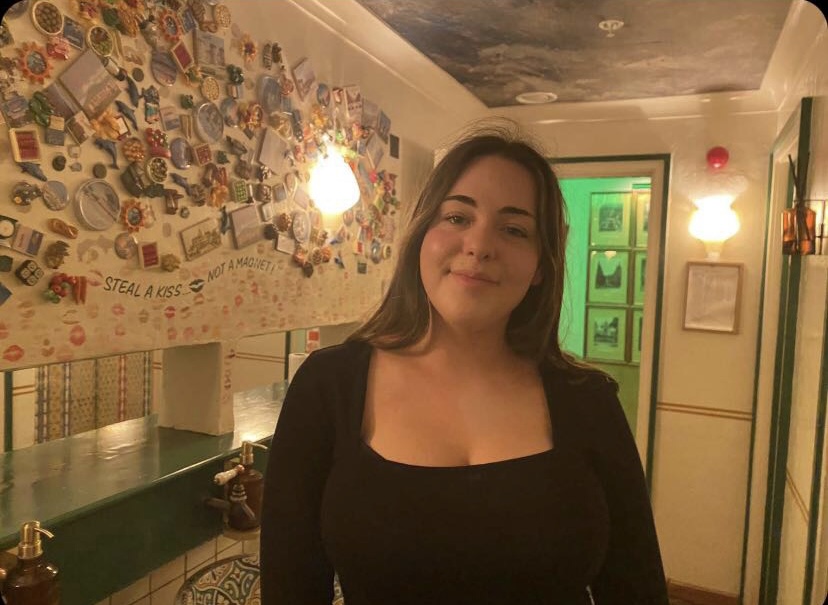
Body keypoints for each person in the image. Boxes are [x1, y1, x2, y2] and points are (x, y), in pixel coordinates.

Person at [261, 121, 669, 605]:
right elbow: (290, 589)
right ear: (421, 236)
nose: (479, 245)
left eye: (514, 229)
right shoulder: (327, 386)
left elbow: (637, 587)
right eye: (457, 217)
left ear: (541, 265)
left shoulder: (589, 400)